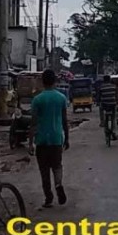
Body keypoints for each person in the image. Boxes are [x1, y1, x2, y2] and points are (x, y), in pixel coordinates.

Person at [28, 69, 69, 208]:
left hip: (41, 139)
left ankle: (48, 198)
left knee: (44, 170)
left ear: (42, 82)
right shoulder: (61, 98)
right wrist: (67, 138)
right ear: (55, 81)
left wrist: (30, 143)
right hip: (57, 138)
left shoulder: (37, 99)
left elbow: (33, 123)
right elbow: (64, 120)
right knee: (57, 166)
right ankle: (58, 184)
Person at [98, 75, 118, 140]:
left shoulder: (101, 87)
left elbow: (99, 97)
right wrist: (117, 102)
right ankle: (114, 132)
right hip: (113, 104)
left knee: (100, 109)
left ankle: (102, 122)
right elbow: (116, 96)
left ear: (104, 80)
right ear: (110, 80)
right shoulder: (114, 86)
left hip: (105, 105)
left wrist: (98, 102)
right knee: (113, 118)